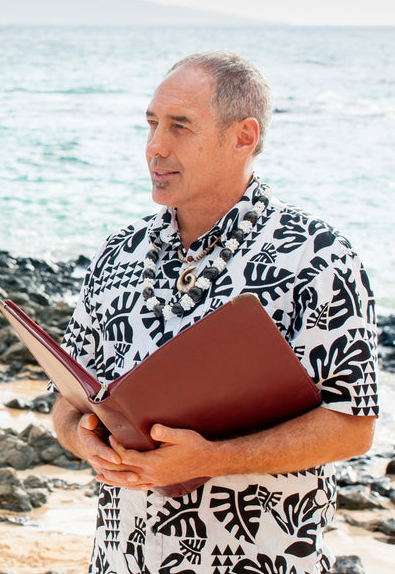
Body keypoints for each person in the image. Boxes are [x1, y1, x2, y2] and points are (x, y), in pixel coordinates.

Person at [51, 51, 378, 574]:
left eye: (180, 126)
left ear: (243, 136)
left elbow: (352, 425)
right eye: (152, 124)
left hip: (261, 560)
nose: (155, 147)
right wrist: (82, 439)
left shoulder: (316, 256)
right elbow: (67, 400)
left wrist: (213, 460)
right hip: (121, 560)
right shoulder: (119, 252)